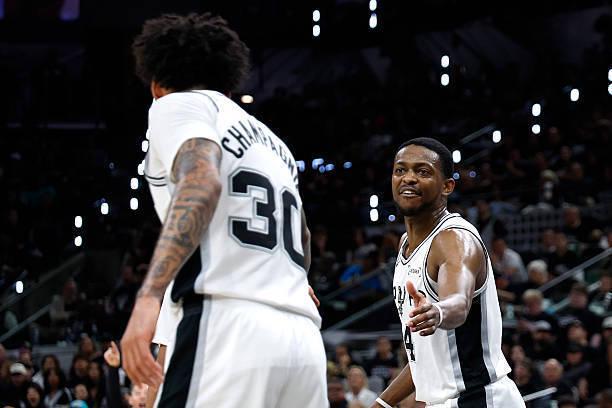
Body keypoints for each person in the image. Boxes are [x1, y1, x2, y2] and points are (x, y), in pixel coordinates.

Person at [120, 12, 326, 408]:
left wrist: (148, 298)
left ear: (157, 84)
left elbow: (202, 181)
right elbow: (301, 235)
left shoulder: (175, 104)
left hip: (228, 327)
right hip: (302, 339)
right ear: (228, 85)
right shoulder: (275, 144)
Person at [375, 138, 524, 407]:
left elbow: (458, 301)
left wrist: (439, 311)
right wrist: (381, 404)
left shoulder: (454, 239)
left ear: (447, 186)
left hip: (479, 397)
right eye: (400, 170)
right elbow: (423, 359)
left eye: (423, 171)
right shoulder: (406, 244)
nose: (409, 178)